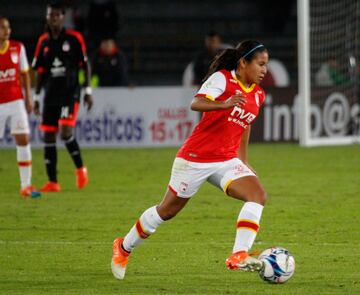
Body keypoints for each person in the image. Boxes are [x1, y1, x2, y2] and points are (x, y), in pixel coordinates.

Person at [111, 40, 269, 280]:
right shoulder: (222, 79)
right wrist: (224, 103)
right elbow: (196, 103)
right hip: (195, 158)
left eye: (266, 65)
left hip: (226, 159)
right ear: (244, 62)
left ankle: (239, 255)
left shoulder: (258, 95)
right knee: (167, 211)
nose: (264, 70)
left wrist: (243, 161)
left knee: (258, 195)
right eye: (260, 64)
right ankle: (123, 248)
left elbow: (243, 126)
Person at [32, 2, 93, 192]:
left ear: (63, 17)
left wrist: (88, 91)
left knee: (65, 131)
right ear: (47, 18)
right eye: (51, 15)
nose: (54, 19)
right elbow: (40, 71)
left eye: (57, 15)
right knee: (49, 134)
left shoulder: (74, 38)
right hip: (50, 94)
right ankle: (52, 182)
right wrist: (36, 96)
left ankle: (80, 169)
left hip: (70, 92)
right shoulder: (43, 42)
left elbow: (85, 65)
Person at [0, 16, 40, 198]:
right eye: (2, 28)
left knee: (23, 139)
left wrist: (28, 97)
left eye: (8, 27)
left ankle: (26, 185)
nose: (6, 31)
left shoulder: (18, 47)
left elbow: (24, 74)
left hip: (16, 100)